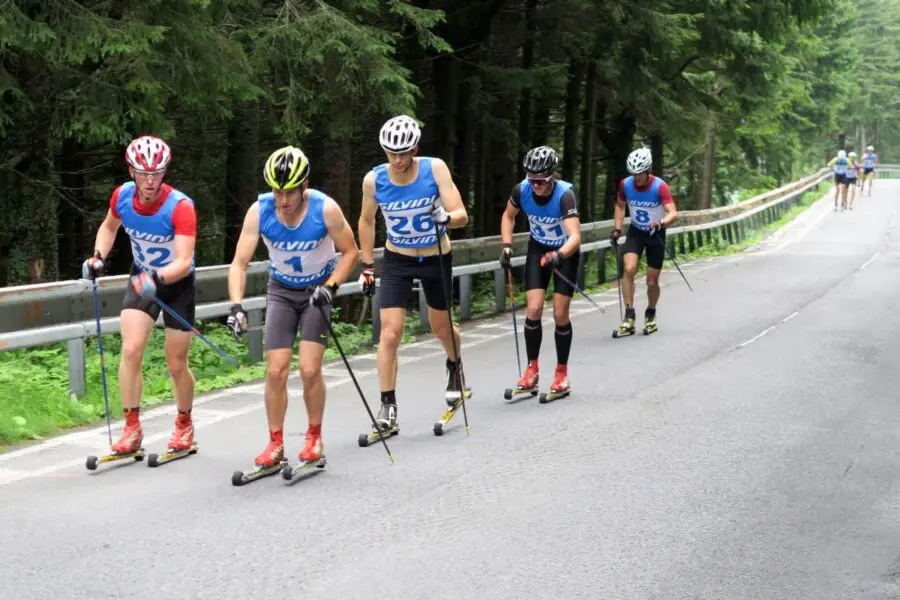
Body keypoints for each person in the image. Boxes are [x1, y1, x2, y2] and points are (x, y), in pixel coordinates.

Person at [226, 146, 359, 468]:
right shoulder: (259, 212)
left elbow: (351, 252)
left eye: (289, 192)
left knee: (309, 369)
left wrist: (331, 287)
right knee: (275, 370)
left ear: (304, 186)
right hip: (282, 291)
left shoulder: (325, 210)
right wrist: (236, 307)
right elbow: (238, 264)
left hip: (317, 292)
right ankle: (275, 443)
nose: (283, 200)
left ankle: (314, 436)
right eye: (277, 192)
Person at [81, 135, 198, 455]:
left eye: (157, 174)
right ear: (131, 171)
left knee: (176, 362)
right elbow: (109, 227)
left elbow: (185, 260)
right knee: (131, 349)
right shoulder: (121, 196)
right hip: (140, 278)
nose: (150, 181)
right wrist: (98, 257)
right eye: (144, 173)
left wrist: (157, 278)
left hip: (175, 283)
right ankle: (132, 428)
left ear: (165, 173)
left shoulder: (181, 207)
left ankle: (185, 423)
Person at [357, 115, 470, 433]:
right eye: (391, 153)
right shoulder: (374, 180)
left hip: (436, 256)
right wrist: (367, 266)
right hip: (398, 259)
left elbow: (462, 215)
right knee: (389, 334)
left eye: (404, 152)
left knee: (442, 329)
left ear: (415, 148)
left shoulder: (435, 169)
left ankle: (454, 363)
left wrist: (445, 217)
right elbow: (366, 221)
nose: (397, 159)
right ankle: (388, 406)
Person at [498, 146, 581, 396]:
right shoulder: (521, 190)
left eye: (541, 181)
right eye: (531, 180)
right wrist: (506, 246)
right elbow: (507, 216)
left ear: (552, 176)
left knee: (559, 312)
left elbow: (575, 237)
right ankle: (531, 370)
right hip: (538, 249)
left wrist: (559, 255)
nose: (535, 185)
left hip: (564, 254)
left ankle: (561, 373)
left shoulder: (565, 196)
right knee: (533, 308)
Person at [609, 147, 678, 336]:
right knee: (629, 269)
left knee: (651, 280)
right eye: (633, 174)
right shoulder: (626, 185)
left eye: (639, 173)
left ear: (648, 171)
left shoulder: (659, 186)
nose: (636, 178)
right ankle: (629, 316)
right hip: (636, 232)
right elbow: (620, 206)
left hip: (655, 234)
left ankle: (651, 313)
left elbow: (673, 213)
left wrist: (662, 222)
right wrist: (617, 228)